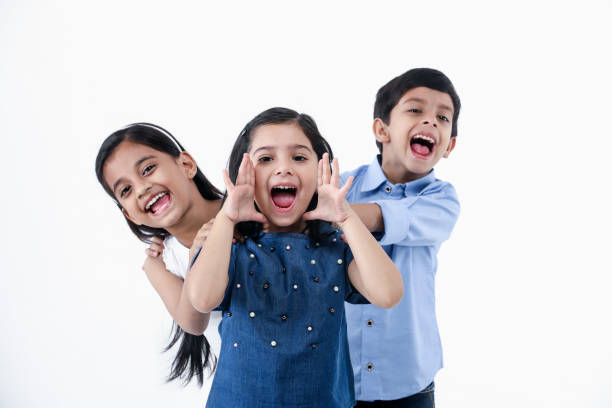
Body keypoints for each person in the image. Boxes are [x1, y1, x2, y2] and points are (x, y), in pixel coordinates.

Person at [186, 107, 403, 408]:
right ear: (243, 174)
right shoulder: (229, 245)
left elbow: (388, 293)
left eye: (299, 157)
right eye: (265, 159)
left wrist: (346, 217)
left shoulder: (335, 246)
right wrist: (227, 217)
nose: (283, 168)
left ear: (319, 171)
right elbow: (202, 298)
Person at [341, 68, 461, 407]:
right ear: (382, 129)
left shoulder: (442, 200)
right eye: (415, 110)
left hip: (409, 381)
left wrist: (337, 213)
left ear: (449, 146)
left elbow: (393, 218)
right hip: (339, 376)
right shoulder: (342, 186)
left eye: (442, 117)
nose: (431, 122)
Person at [95, 123, 222, 385]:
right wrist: (194, 258)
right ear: (129, 214)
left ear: (186, 164)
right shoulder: (163, 263)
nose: (141, 188)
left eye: (148, 169)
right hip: (245, 389)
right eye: (126, 190)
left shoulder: (245, 205)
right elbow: (194, 324)